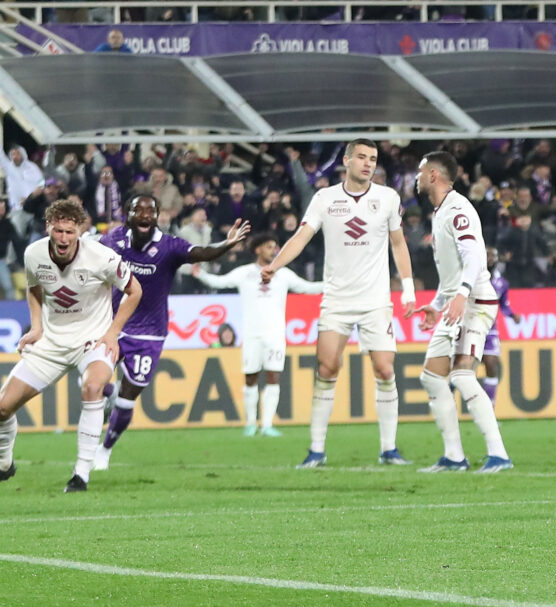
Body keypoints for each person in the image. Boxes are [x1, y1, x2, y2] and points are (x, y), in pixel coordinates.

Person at [261, 139, 416, 468]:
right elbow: (302, 236)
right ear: (346, 161)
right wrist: (275, 266)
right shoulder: (325, 198)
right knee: (327, 369)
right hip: (337, 299)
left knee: (385, 369)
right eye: (361, 157)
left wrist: (409, 289)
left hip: (376, 301)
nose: (368, 163)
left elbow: (399, 244)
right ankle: (316, 449)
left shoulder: (387, 198)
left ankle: (389, 448)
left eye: (373, 158)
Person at [90, 195, 251, 472]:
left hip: (149, 334)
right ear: (127, 215)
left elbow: (201, 253)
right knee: (90, 380)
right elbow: (87, 253)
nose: (144, 215)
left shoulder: (169, 246)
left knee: (129, 397)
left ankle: (104, 450)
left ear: (157, 216)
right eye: (137, 210)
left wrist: (226, 244)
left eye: (150, 211)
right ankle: (108, 394)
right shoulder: (113, 240)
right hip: (112, 327)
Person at [0, 199, 142, 491]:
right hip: (52, 342)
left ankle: (81, 474)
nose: (63, 238)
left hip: (94, 340)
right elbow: (34, 287)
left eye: (69, 231)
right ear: (48, 228)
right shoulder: (34, 253)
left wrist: (114, 332)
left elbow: (134, 290)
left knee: (92, 388)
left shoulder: (102, 257)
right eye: (58, 231)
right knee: (2, 408)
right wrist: (37, 326)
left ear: (80, 229)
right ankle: (4, 462)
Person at [413, 151, 512, 473]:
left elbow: (475, 259)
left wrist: (462, 294)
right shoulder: (440, 212)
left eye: (420, 171)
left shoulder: (458, 209)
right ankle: (454, 457)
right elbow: (452, 273)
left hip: (476, 300)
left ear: (433, 176)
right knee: (431, 377)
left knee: (460, 374)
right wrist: (439, 303)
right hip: (458, 300)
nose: (415, 177)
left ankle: (499, 455)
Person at [191, 233, 322, 437]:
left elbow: (307, 287)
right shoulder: (244, 273)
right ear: (257, 249)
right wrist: (201, 275)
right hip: (252, 335)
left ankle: (267, 425)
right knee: (250, 378)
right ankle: (251, 424)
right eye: (269, 247)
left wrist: (333, 285)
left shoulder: (284, 274)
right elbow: (221, 282)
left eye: (275, 247)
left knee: (274, 377)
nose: (274, 251)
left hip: (276, 335)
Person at [481, 247, 522, 405]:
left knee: (492, 367)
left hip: (490, 331)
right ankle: (449, 393)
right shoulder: (472, 278)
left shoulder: (502, 283)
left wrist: (512, 315)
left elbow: (504, 305)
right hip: (470, 329)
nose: (490, 258)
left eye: (493, 256)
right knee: (463, 369)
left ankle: (489, 412)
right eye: (487, 255)